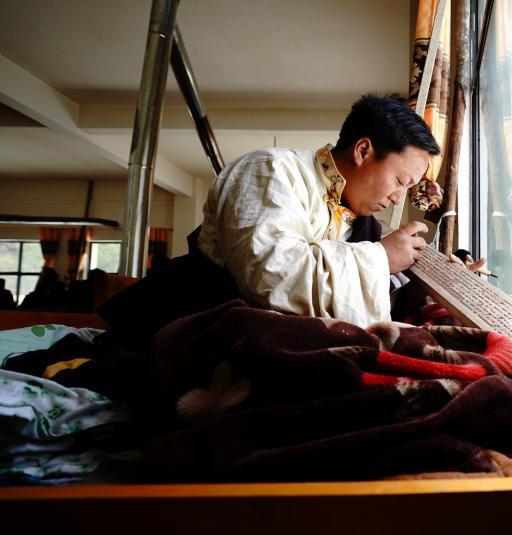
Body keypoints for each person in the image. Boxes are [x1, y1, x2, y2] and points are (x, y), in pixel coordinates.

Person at [98, 94, 475, 348]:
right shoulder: (270, 170)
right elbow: (269, 276)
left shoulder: (361, 223)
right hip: (198, 322)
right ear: (363, 150)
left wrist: (432, 287)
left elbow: (355, 297)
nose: (398, 198)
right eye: (400, 181)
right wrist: (379, 258)